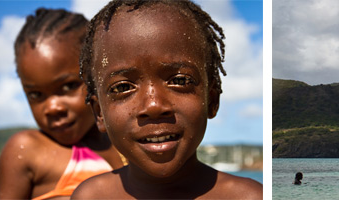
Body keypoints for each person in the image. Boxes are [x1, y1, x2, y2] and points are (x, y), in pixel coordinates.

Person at [70, 0, 261, 198]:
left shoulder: (249, 196)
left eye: (179, 81)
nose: (153, 106)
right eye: (123, 87)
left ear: (211, 100)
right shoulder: (91, 196)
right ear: (99, 113)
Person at [0, 8, 125, 200]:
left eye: (68, 86)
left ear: (97, 72)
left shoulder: (129, 145)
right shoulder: (28, 151)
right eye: (36, 94)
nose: (53, 108)